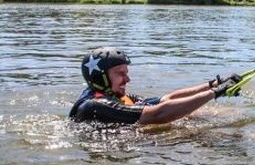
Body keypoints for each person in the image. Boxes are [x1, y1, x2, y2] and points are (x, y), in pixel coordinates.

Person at [69, 47, 241, 125]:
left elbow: (166, 100)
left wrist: (214, 84)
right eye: (120, 73)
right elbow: (159, 114)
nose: (127, 79)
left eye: (126, 72)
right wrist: (214, 93)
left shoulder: (119, 97)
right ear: (101, 77)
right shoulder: (95, 106)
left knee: (198, 116)